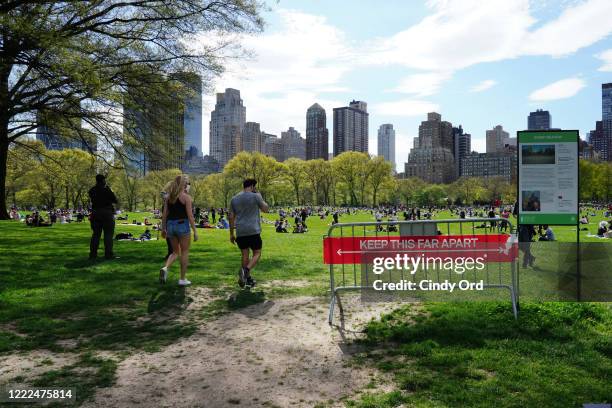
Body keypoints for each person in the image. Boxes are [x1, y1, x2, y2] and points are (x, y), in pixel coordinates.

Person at [229, 179, 269, 288]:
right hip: (253, 230)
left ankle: (246, 279)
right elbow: (266, 209)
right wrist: (260, 196)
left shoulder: (234, 199)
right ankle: (246, 271)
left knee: (245, 255)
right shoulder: (255, 196)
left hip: (240, 231)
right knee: (257, 253)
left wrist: (231, 234)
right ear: (252, 186)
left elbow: (231, 217)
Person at [159, 175, 198, 286]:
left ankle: (165, 268)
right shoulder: (186, 198)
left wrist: (163, 228)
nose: (188, 184)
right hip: (182, 225)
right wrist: (195, 231)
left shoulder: (168, 197)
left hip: (170, 226)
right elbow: (190, 216)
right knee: (184, 252)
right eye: (187, 183)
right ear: (183, 185)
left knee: (175, 252)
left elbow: (164, 215)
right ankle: (182, 279)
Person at [88, 174, 118, 260]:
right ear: (103, 180)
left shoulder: (92, 190)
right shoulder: (107, 190)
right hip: (107, 213)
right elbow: (115, 200)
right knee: (108, 235)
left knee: (96, 235)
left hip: (95, 213)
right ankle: (108, 254)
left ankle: (93, 254)